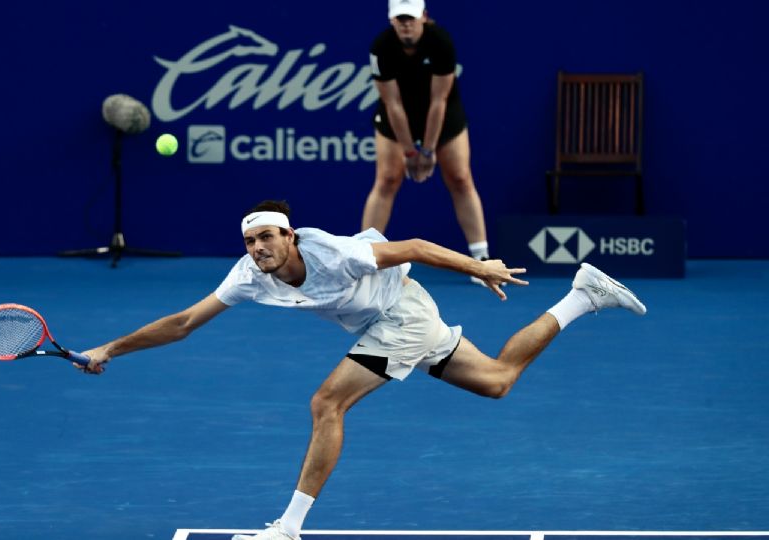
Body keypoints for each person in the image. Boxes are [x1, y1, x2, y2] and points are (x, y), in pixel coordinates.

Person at [78, 200, 646, 540]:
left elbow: (417, 245)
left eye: (268, 237)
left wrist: (479, 266)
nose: (258, 248)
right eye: (250, 241)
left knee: (327, 403)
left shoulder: (333, 252)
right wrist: (110, 348)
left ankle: (288, 527)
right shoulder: (247, 275)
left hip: (401, 313)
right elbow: (182, 323)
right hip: (392, 319)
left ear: (290, 236)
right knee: (497, 380)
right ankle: (584, 297)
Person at [362, 0, 490, 285]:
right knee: (387, 179)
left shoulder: (441, 42)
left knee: (460, 178)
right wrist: (409, 151)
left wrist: (428, 151)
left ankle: (480, 259)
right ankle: (364, 256)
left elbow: (438, 101)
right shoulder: (381, 47)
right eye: (400, 19)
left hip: (442, 115)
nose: (406, 24)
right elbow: (392, 103)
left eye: (411, 18)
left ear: (424, 17)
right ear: (392, 21)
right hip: (397, 117)